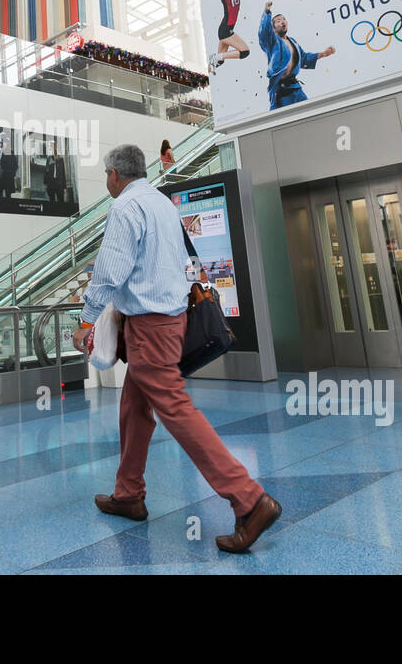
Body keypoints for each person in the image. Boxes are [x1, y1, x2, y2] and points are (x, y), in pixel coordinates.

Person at [74, 145, 281, 554]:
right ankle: (128, 493)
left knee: (175, 408)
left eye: (106, 175)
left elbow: (110, 271)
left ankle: (249, 498)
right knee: (135, 407)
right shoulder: (164, 204)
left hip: (151, 326)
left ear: (115, 175)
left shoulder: (125, 208)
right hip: (169, 319)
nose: (107, 182)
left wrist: (86, 322)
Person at [200, 0, 292, 74]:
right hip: (225, 29)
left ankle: (203, 75)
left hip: (228, 29)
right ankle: (214, 58)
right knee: (244, 52)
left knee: (219, 61)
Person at [257, 0, 335, 110]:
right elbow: (263, 33)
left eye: (284, 19)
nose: (282, 22)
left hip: (296, 88)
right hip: (281, 91)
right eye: (278, 21)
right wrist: (266, 12)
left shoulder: (293, 41)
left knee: (310, 114)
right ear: (273, 28)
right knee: (285, 122)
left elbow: (303, 59)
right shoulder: (272, 42)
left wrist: (322, 54)